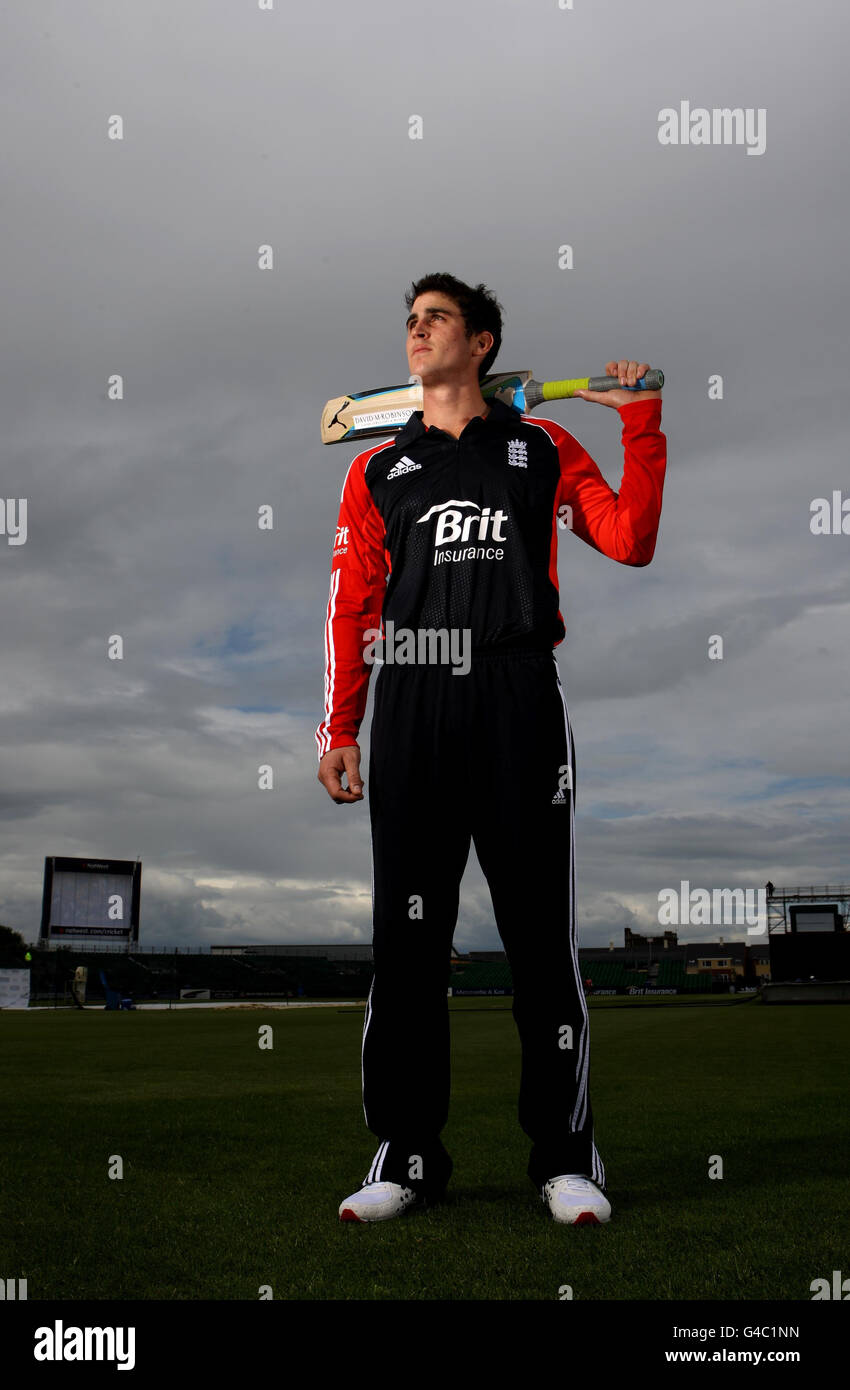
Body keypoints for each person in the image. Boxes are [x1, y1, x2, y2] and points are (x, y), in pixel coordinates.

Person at [316, 272, 667, 1225]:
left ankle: (563, 1157)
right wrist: (339, 727)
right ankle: (406, 1155)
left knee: (539, 944)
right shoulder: (377, 470)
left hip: (517, 696)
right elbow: (352, 608)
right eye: (409, 321)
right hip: (415, 699)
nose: (415, 332)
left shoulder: (540, 446)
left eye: (435, 319)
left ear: (481, 342)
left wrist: (640, 424)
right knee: (408, 948)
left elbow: (630, 540)